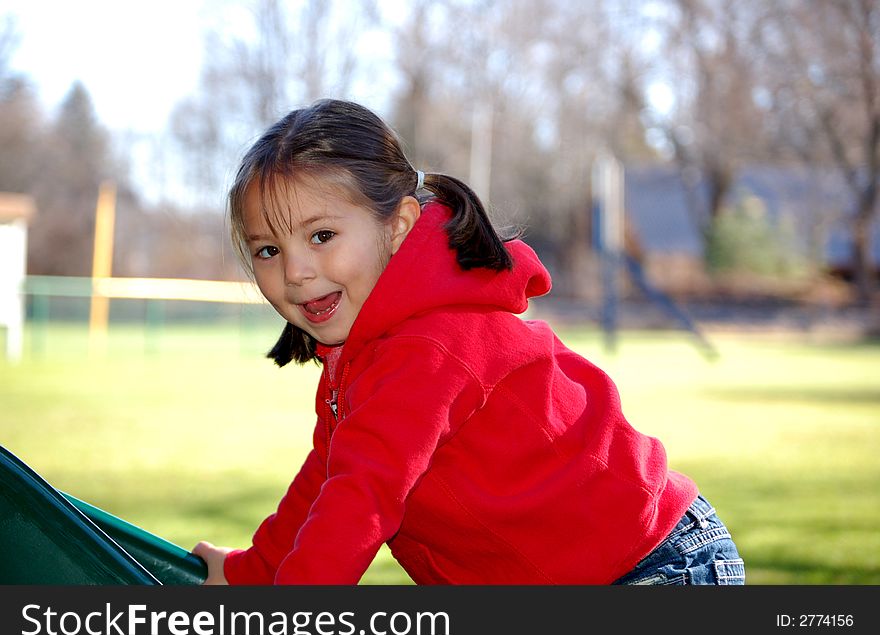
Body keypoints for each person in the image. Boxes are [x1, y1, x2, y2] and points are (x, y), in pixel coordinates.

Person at [193, 98, 745, 586]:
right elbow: (328, 481)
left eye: (321, 236)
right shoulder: (363, 357)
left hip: (654, 567)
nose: (295, 271)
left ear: (399, 225)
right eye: (268, 250)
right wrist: (250, 575)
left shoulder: (430, 345)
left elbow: (359, 501)